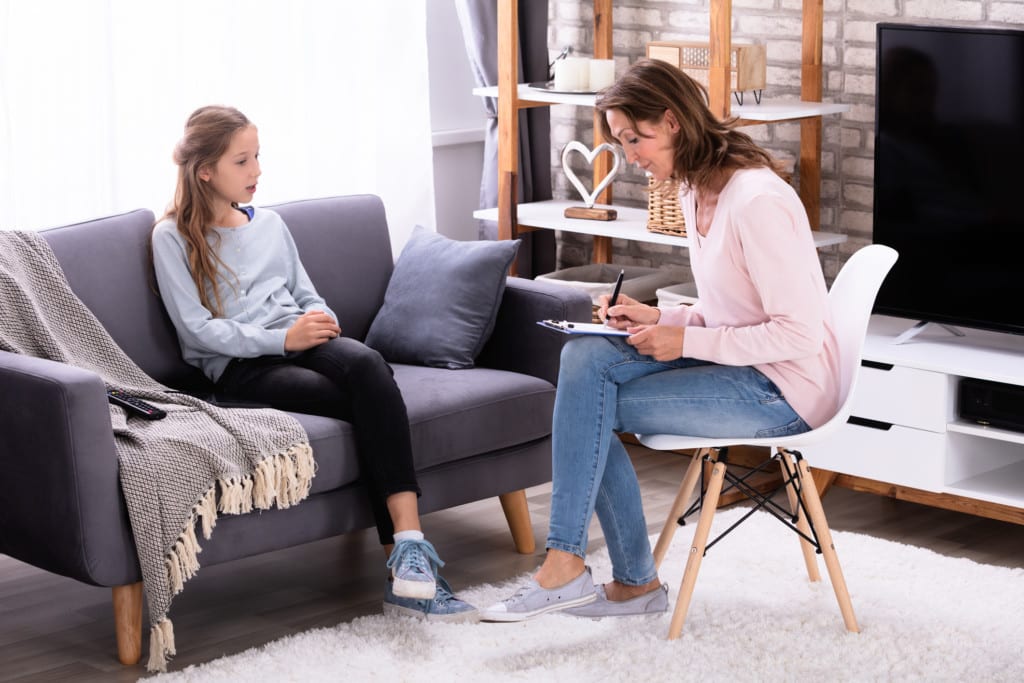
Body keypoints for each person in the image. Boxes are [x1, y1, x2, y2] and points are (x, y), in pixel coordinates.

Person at [481, 58, 840, 621]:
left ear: (672, 122)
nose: (630, 155)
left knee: (585, 410)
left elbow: (797, 333)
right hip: (739, 368)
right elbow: (730, 312)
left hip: (785, 390)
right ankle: (603, 577)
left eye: (634, 138)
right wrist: (655, 318)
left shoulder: (758, 202)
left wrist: (684, 344)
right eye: (622, 142)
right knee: (585, 355)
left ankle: (587, 571)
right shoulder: (696, 190)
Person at [151, 105, 476, 621]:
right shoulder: (172, 237)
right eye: (242, 161)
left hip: (303, 338)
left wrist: (318, 317)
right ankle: (404, 566)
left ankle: (410, 549)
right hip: (242, 367)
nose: (257, 171)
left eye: (257, 156)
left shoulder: (272, 224)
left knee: (370, 367)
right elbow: (197, 331)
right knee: (367, 399)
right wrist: (285, 338)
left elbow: (306, 293)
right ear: (206, 169)